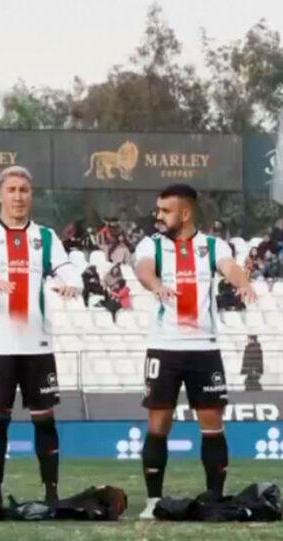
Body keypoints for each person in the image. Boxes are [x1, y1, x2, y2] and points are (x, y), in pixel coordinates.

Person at [0, 165, 81, 507]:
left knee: (45, 421)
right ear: (0, 195)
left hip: (38, 346)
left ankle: (52, 494)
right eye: (11, 190)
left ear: (31, 195)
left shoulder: (46, 236)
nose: (18, 197)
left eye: (24, 190)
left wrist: (73, 283)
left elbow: (68, 269)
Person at [133, 184, 256, 520]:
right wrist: (156, 284)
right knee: (158, 423)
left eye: (165, 211)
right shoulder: (151, 244)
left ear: (185, 213)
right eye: (158, 210)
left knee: (212, 425)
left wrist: (242, 282)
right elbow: (143, 269)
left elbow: (229, 266)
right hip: (164, 347)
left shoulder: (212, 246)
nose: (158, 216)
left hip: (205, 349)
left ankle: (215, 496)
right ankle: (152, 501)